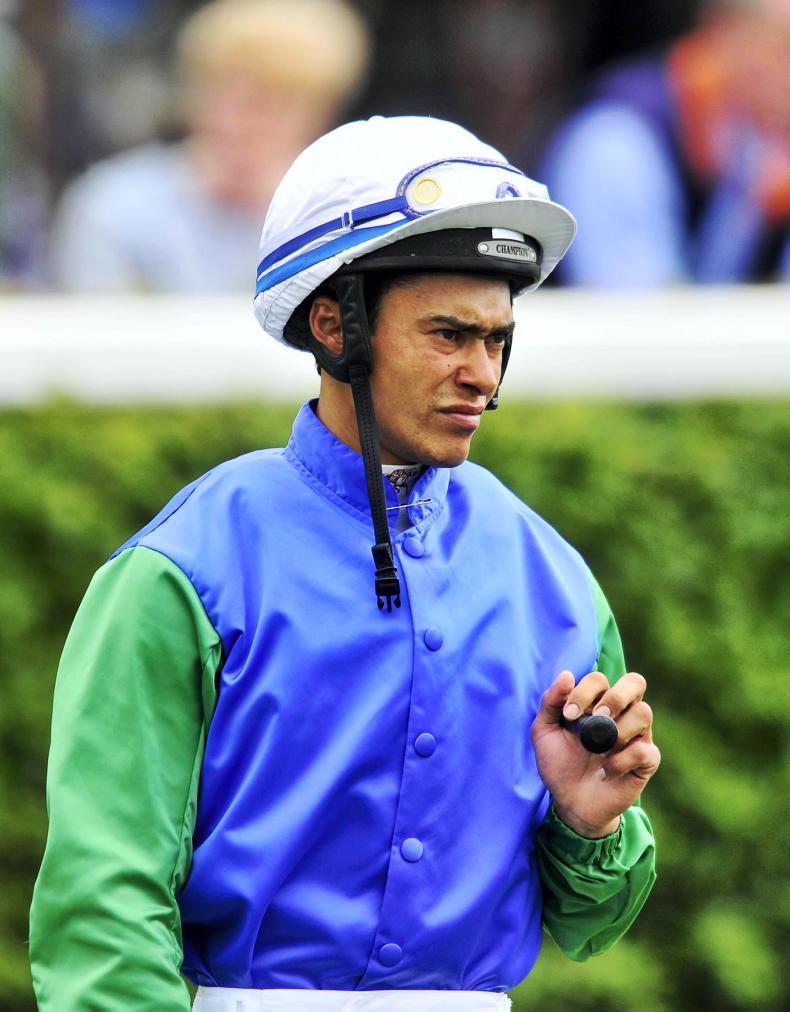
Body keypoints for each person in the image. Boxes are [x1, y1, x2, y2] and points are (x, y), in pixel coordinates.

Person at [30, 115, 660, 1010]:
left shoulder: (555, 578)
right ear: (335, 327)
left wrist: (587, 824)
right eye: (448, 335)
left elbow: (591, 924)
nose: (483, 374)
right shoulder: (181, 569)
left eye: (497, 339)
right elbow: (104, 908)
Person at [48, 0, 370, 292]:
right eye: (223, 95)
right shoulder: (111, 202)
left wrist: (285, 219)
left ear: (320, 116)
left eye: (270, 106)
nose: (237, 122)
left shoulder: (344, 215)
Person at [543, 0, 790, 287]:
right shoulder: (612, 146)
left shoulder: (749, 142)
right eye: (784, 49)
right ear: (726, 33)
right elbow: (640, 308)